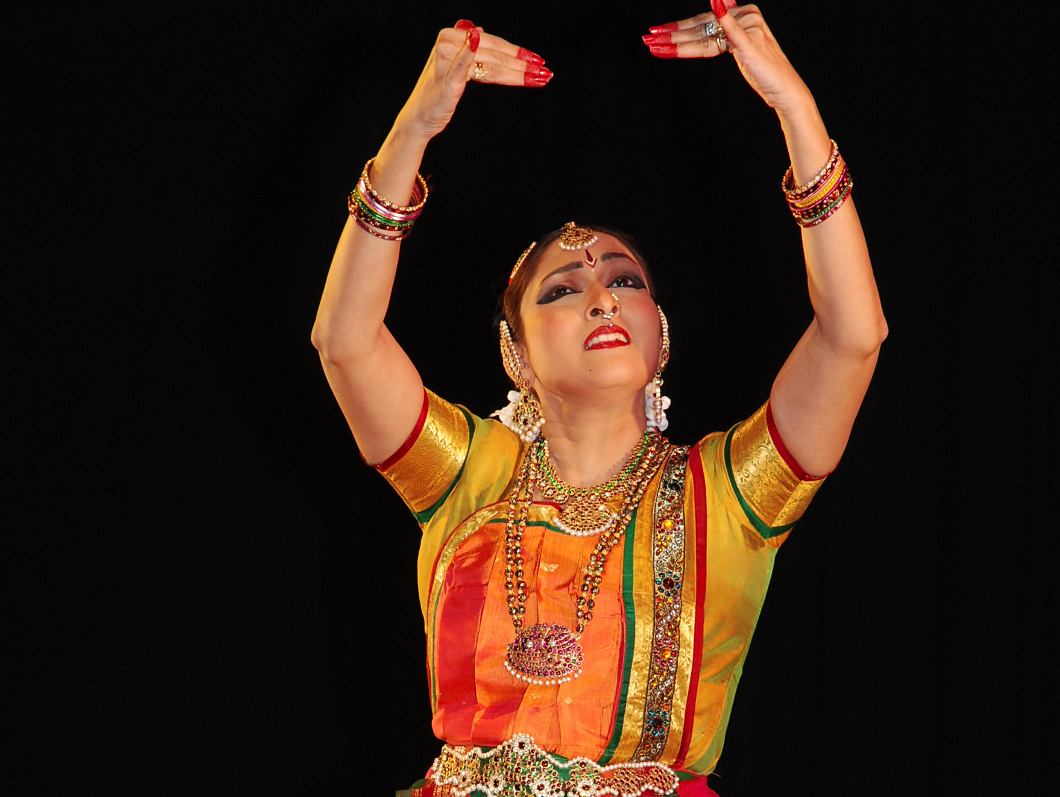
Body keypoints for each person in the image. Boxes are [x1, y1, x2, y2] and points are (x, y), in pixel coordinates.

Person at [312, 4, 886, 795]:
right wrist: (412, 132)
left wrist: (797, 109)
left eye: (626, 281)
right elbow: (345, 341)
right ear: (516, 353)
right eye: (562, 289)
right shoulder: (469, 477)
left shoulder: (722, 496)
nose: (602, 297)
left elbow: (853, 336)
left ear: (662, 338)